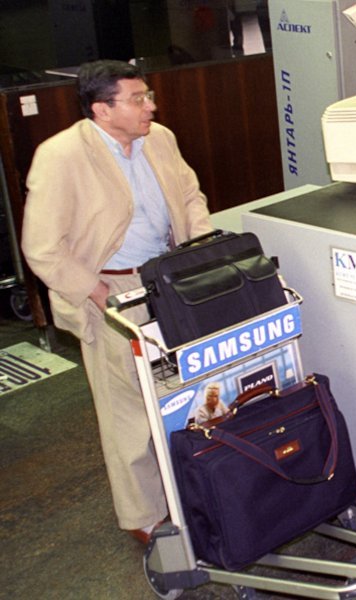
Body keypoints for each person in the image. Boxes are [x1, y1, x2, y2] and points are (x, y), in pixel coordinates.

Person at [21, 60, 213, 543]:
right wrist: (97, 291)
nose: (151, 106)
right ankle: (144, 516)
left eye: (148, 95)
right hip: (111, 292)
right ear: (101, 110)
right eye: (138, 99)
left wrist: (200, 248)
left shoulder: (160, 139)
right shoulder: (60, 156)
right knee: (127, 412)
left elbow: (191, 196)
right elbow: (41, 247)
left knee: (183, 394)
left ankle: (190, 490)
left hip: (168, 279)